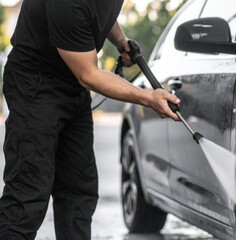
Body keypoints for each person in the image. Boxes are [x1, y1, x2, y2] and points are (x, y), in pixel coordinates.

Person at [0, 0, 180, 239]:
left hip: (73, 86)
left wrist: (120, 41)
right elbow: (89, 75)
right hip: (36, 84)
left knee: (78, 188)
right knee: (28, 192)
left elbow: (101, 12)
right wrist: (148, 97)